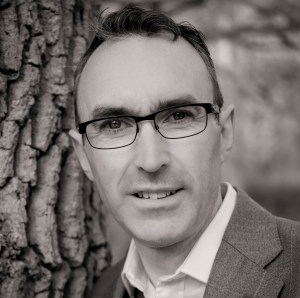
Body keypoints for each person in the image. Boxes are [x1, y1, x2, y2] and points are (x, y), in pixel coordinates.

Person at [69, 5, 300, 298]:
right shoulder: (100, 291)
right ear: (83, 156)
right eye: (114, 124)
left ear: (225, 132)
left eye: (178, 116)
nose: (151, 161)